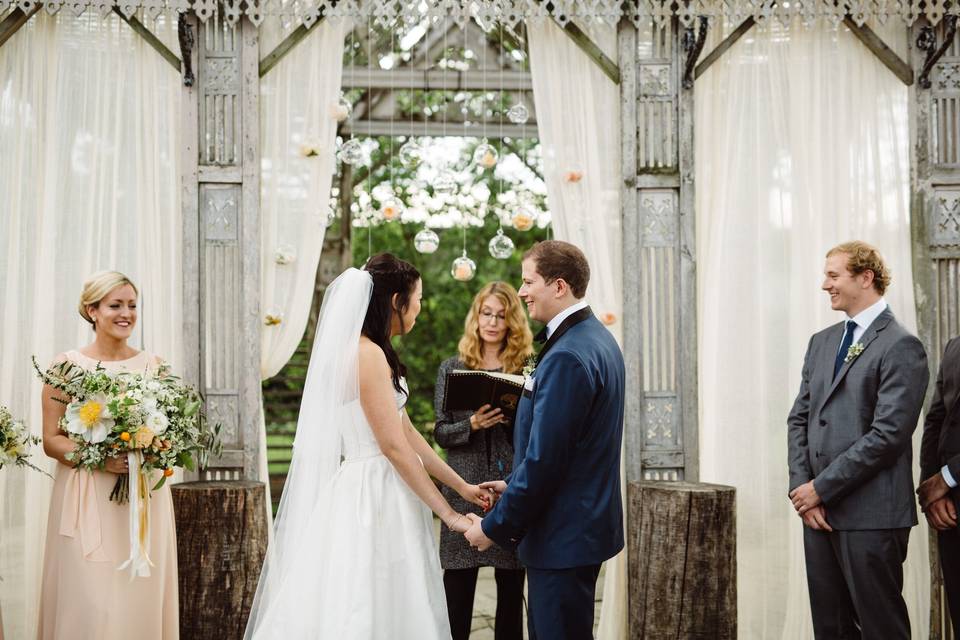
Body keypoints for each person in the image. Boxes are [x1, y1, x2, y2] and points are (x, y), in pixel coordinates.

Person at [244, 253, 490, 639]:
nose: (420, 308)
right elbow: (393, 447)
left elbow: (408, 434)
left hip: (383, 484)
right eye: (419, 298)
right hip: (372, 492)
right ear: (396, 301)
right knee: (367, 594)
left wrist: (462, 488)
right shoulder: (366, 354)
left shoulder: (372, 351)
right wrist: (450, 516)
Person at [463, 241, 625, 640]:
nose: (521, 291)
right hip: (580, 528)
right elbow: (567, 449)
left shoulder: (569, 355)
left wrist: (493, 527)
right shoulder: (593, 338)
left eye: (528, 281)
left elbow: (546, 463)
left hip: (563, 537)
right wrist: (514, 483)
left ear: (559, 286)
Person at [786, 241, 928, 639]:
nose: (824, 285)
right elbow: (799, 418)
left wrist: (821, 489)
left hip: (872, 517)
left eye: (833, 275)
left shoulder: (901, 345)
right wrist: (802, 489)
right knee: (830, 629)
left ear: (866, 278)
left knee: (882, 629)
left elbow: (888, 437)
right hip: (817, 515)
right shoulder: (822, 341)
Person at [37, 271, 179, 640]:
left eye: (132, 305)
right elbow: (51, 440)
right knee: (91, 600)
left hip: (143, 500)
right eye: (115, 305)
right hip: (87, 500)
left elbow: (170, 436)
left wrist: (154, 447)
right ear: (92, 311)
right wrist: (99, 457)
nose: (126, 313)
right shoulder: (66, 367)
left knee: (139, 597)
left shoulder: (155, 367)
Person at [434, 282, 533, 640]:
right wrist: (472, 424)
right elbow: (441, 433)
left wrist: (509, 420)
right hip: (463, 486)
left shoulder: (526, 368)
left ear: (512, 322)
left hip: (508, 486)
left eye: (501, 315)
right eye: (486, 313)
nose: (492, 322)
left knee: (510, 587)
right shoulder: (452, 367)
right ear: (476, 317)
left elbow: (536, 435)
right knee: (457, 586)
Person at [917, 336, 960, 636]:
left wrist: (948, 476)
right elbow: (936, 419)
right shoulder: (954, 346)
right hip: (951, 513)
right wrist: (931, 488)